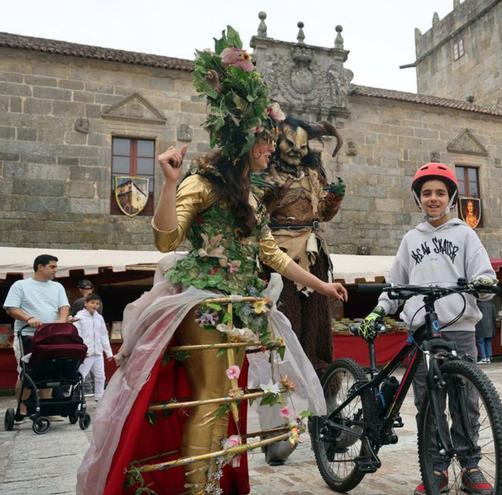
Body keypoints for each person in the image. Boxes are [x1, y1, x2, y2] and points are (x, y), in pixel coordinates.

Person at [76, 27, 346, 495]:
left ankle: (211, 483)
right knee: (210, 398)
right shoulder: (201, 185)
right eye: (264, 143)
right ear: (246, 144)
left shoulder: (254, 198)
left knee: (226, 401)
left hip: (241, 304)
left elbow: (271, 254)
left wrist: (321, 286)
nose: (271, 149)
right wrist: (167, 182)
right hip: (203, 301)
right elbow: (165, 240)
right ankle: (198, 490)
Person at [357, 162, 497, 495]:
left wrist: (483, 283)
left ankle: (470, 466)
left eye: (439, 193)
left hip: (459, 329)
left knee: (466, 400)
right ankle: (435, 469)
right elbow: (396, 283)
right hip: (422, 332)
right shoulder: (410, 240)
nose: (433, 199)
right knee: (428, 404)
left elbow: (485, 275)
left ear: (451, 198)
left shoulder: (465, 234)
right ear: (418, 199)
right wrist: (379, 311)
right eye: (426, 193)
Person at [253, 116, 346, 465]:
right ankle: (277, 431)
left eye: (302, 145)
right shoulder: (264, 175)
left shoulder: (312, 175)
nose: (296, 151)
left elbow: (321, 211)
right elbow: (253, 214)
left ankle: (329, 417)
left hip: (313, 257)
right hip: (276, 260)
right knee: (280, 341)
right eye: (289, 144)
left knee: (318, 338)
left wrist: (333, 199)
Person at [3, 254, 70, 414]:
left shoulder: (57, 287)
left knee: (51, 371)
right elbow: (11, 308)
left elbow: (64, 306)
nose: (55, 270)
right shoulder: (20, 285)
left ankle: (47, 408)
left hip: (51, 334)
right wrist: (29, 318)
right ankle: (22, 409)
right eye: (52, 267)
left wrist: (62, 320)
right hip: (27, 334)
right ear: (40, 266)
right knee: (26, 372)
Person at [73, 294, 112, 401]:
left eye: (97, 303)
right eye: (92, 303)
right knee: (81, 376)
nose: (95, 305)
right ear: (86, 303)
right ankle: (76, 397)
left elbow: (104, 335)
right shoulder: (79, 317)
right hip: (86, 353)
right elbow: (77, 336)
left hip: (98, 352)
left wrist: (108, 353)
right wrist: (81, 350)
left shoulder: (99, 318)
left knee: (101, 377)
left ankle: (99, 397)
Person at [475, 298, 497, 364]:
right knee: (488, 342)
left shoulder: (477, 305)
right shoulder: (491, 304)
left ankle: (483, 358)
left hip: (480, 326)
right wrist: (494, 327)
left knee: (480, 342)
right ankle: (488, 358)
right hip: (490, 326)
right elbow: (494, 316)